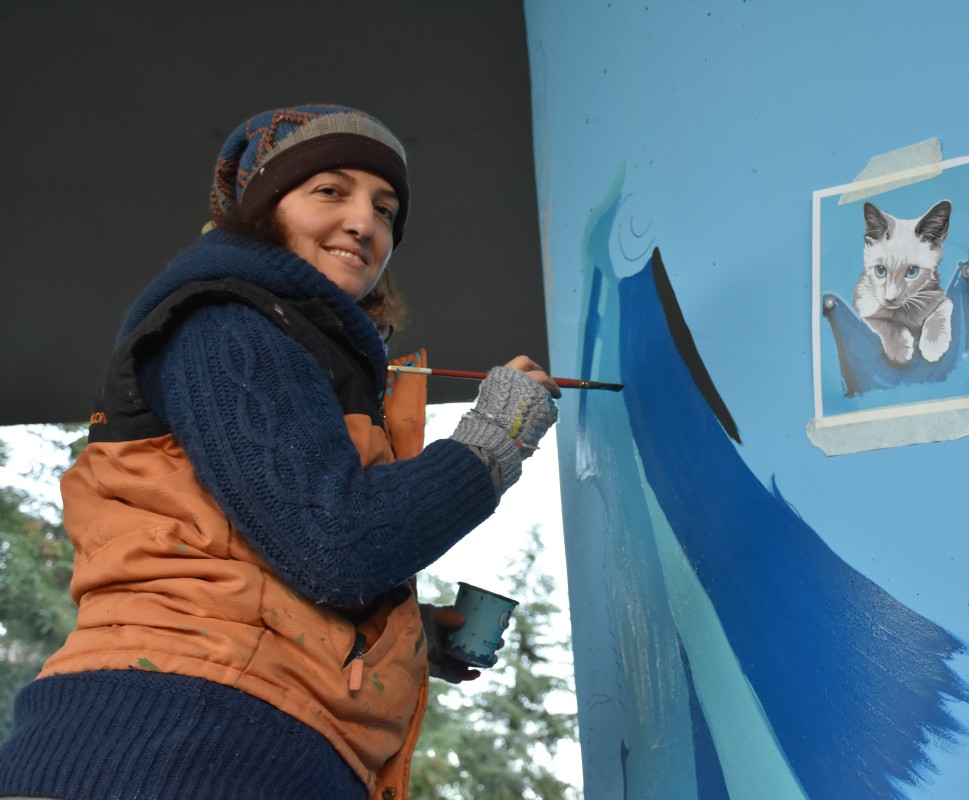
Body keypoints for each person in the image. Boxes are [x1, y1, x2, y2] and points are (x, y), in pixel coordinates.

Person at [0, 104, 559, 800]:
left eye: (385, 209)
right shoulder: (223, 323)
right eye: (330, 191)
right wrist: (493, 441)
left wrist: (403, 640)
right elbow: (336, 545)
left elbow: (265, 556)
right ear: (262, 212)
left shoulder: (301, 349)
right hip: (170, 745)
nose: (364, 222)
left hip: (231, 740)